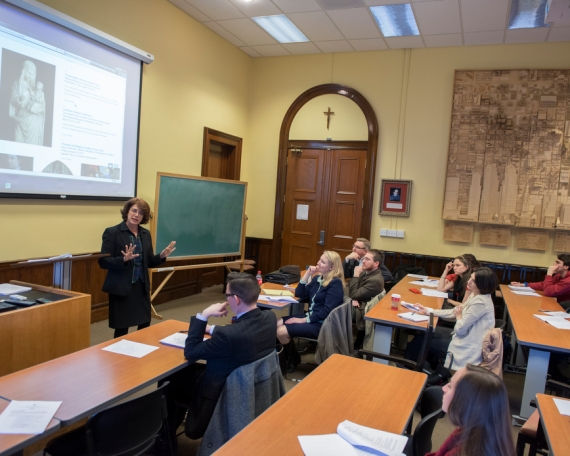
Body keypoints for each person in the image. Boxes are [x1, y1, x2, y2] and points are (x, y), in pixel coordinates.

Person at [163, 273, 277, 441]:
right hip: (248, 382)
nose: (226, 299)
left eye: (227, 295)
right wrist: (212, 329)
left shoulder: (227, 336)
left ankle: (165, 438)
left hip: (221, 389)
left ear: (236, 299)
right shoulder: (270, 317)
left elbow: (191, 351)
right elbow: (246, 329)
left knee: (170, 378)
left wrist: (204, 315)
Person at [98, 197, 176, 338]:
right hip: (121, 287)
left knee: (145, 324)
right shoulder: (112, 232)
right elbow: (103, 262)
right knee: (122, 329)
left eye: (141, 213)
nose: (136, 215)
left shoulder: (145, 234)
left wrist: (162, 255)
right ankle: (120, 356)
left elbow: (150, 262)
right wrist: (123, 259)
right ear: (127, 211)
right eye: (134, 211)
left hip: (141, 287)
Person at [411, 267, 498, 370]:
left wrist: (459, 317)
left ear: (482, 284)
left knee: (419, 341)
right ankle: (430, 371)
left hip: (467, 348)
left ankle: (417, 374)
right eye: (470, 278)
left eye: (473, 280)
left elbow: (460, 329)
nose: (469, 282)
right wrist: (429, 311)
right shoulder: (476, 295)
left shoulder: (480, 302)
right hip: (463, 339)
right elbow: (454, 311)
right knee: (423, 334)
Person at [277, 250, 344, 372]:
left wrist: (303, 320)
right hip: (311, 317)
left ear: (332, 267)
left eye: (322, 262)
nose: (318, 263)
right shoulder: (318, 279)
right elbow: (300, 293)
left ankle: (292, 359)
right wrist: (307, 274)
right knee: (275, 323)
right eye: (319, 259)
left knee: (281, 331)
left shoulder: (335, 283)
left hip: (322, 323)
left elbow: (327, 310)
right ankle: (289, 357)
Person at [427, 365, 515, 456]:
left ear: (466, 402)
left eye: (450, 386)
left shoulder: (464, 451)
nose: (443, 388)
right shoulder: (489, 439)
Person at [348, 249, 385, 350]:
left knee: (333, 307)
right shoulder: (367, 273)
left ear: (376, 263)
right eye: (364, 259)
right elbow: (350, 288)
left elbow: (354, 293)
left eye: (367, 259)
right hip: (358, 302)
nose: (363, 261)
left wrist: (355, 275)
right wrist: (352, 298)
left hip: (361, 309)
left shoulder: (375, 280)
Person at [9, 60, 46, 145]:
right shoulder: (17, 84)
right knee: (17, 141)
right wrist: (19, 100)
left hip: (33, 119)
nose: (30, 76)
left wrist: (37, 106)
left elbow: (41, 102)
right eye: (28, 73)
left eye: (32, 74)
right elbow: (13, 98)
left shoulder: (35, 86)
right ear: (23, 71)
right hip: (21, 116)